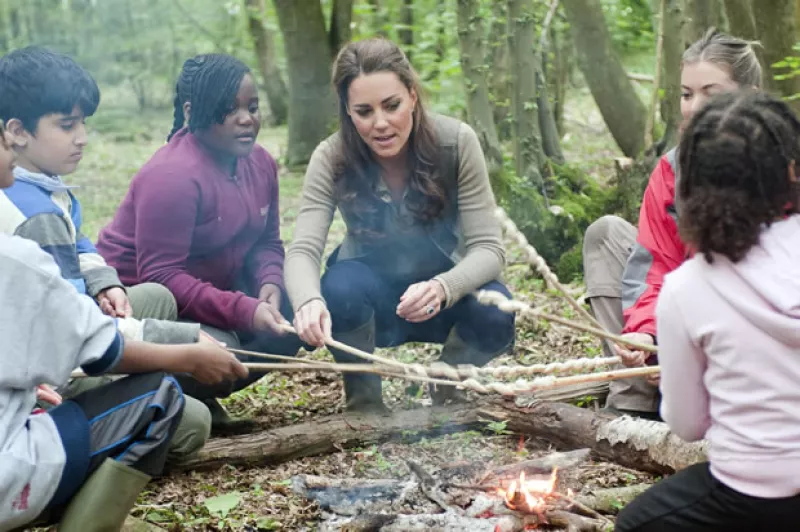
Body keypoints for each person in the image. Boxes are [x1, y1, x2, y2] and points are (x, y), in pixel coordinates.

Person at [0, 118, 249, 532]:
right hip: (10, 473)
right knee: (159, 399)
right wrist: (189, 353)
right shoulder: (17, 257)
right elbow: (100, 348)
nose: (8, 147)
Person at [0, 46, 213, 458]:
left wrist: (103, 281)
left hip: (63, 322)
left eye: (83, 123)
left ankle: (154, 381)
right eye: (66, 125)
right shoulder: (33, 215)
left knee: (157, 297)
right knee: (193, 421)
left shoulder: (41, 183)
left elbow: (77, 241)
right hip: (53, 368)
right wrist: (186, 342)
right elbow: (76, 330)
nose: (81, 137)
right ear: (17, 131)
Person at [284, 38, 515, 412]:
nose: (380, 124)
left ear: (412, 95)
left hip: (443, 295)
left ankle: (448, 381)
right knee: (337, 287)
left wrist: (444, 286)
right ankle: (365, 405)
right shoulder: (331, 157)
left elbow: (490, 249)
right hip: (371, 298)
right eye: (363, 111)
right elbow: (303, 250)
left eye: (391, 106)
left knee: (498, 308)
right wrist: (307, 301)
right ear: (347, 111)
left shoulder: (455, 143)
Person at [616, 90, 800, 531]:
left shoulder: (686, 288)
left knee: (633, 525)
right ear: (790, 170)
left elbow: (686, 425)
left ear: (692, 185)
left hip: (749, 493)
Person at [96, 54, 303, 426]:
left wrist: (269, 282)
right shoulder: (172, 176)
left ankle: (190, 392)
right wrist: (243, 309)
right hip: (139, 307)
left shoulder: (261, 164)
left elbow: (267, 242)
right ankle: (159, 392)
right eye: (229, 109)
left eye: (252, 107)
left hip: (207, 294)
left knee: (296, 313)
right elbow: (160, 277)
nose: (246, 119)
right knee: (228, 349)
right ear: (192, 111)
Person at [581, 29, 762, 419]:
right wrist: (646, 333)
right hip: (686, 317)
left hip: (756, 339)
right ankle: (633, 404)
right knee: (607, 234)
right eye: (686, 94)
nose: (694, 107)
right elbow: (658, 263)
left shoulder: (782, 166)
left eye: (711, 93)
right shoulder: (672, 168)